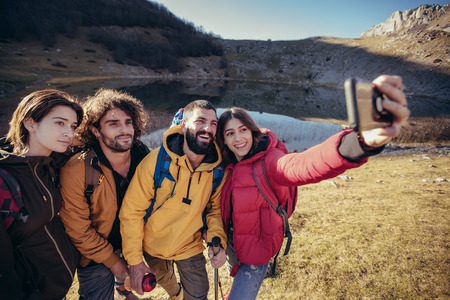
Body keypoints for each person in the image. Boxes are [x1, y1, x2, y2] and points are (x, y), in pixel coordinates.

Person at [215, 75, 410, 300]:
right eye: (230, 133)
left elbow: (304, 164)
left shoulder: (269, 161)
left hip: (255, 253)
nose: (238, 138)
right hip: (231, 245)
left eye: (243, 130)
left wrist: (359, 143)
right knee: (234, 275)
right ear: (224, 139)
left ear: (252, 130)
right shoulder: (226, 164)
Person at [119, 100, 227, 299]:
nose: (208, 128)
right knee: (165, 281)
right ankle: (175, 294)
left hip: (189, 244)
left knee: (198, 295)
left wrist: (217, 241)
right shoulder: (155, 162)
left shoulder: (218, 170)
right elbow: (132, 212)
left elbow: (214, 210)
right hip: (152, 243)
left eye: (213, 123)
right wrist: (134, 261)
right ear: (184, 124)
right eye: (200, 121)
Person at [58, 88, 152, 299]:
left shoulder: (144, 157)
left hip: (136, 242)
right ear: (95, 130)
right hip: (95, 252)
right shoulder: (77, 170)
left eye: (128, 122)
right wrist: (115, 263)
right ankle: (121, 285)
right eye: (113, 124)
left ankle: (125, 289)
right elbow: (78, 230)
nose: (124, 130)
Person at [0, 89, 82, 299]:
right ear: (30, 123)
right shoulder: (4, 178)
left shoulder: (51, 164)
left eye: (72, 126)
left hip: (58, 287)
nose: (69, 133)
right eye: (59, 123)